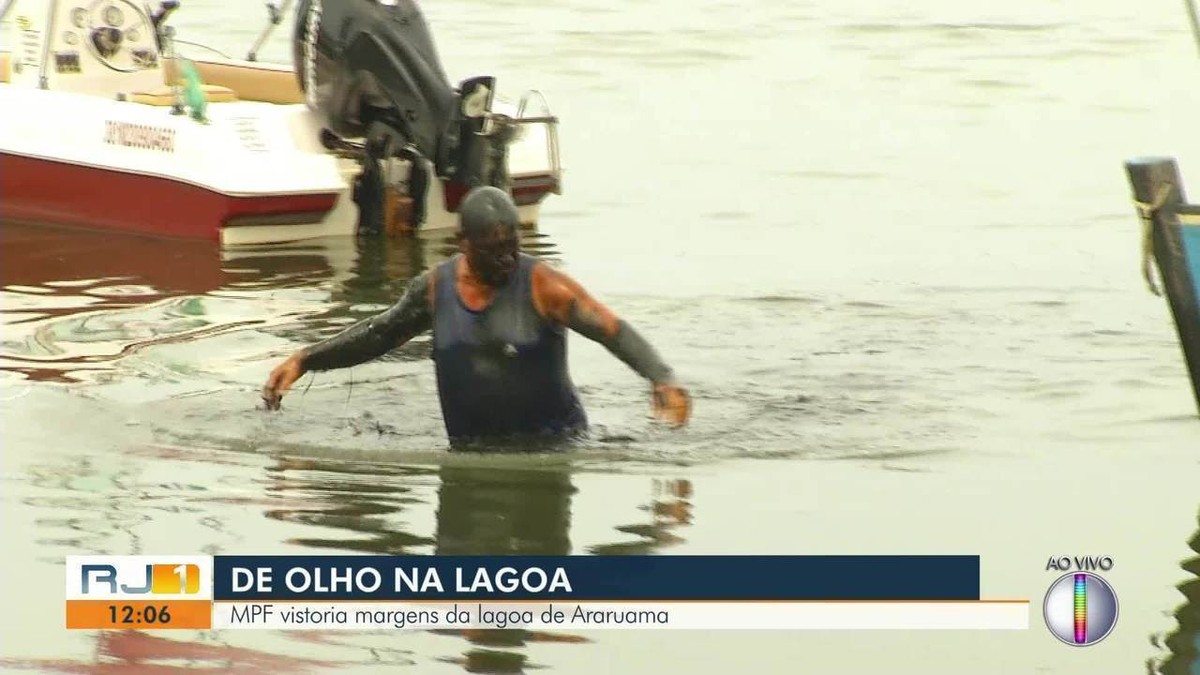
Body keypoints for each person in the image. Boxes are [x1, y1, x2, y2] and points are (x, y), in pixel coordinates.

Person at [261, 186, 691, 443]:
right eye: (493, 252)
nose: (508, 261)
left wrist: (662, 377)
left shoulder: (545, 287)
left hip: (554, 449)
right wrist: (306, 359)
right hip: (468, 450)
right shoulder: (434, 288)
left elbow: (611, 330)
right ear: (463, 242)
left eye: (513, 249)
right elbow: (380, 334)